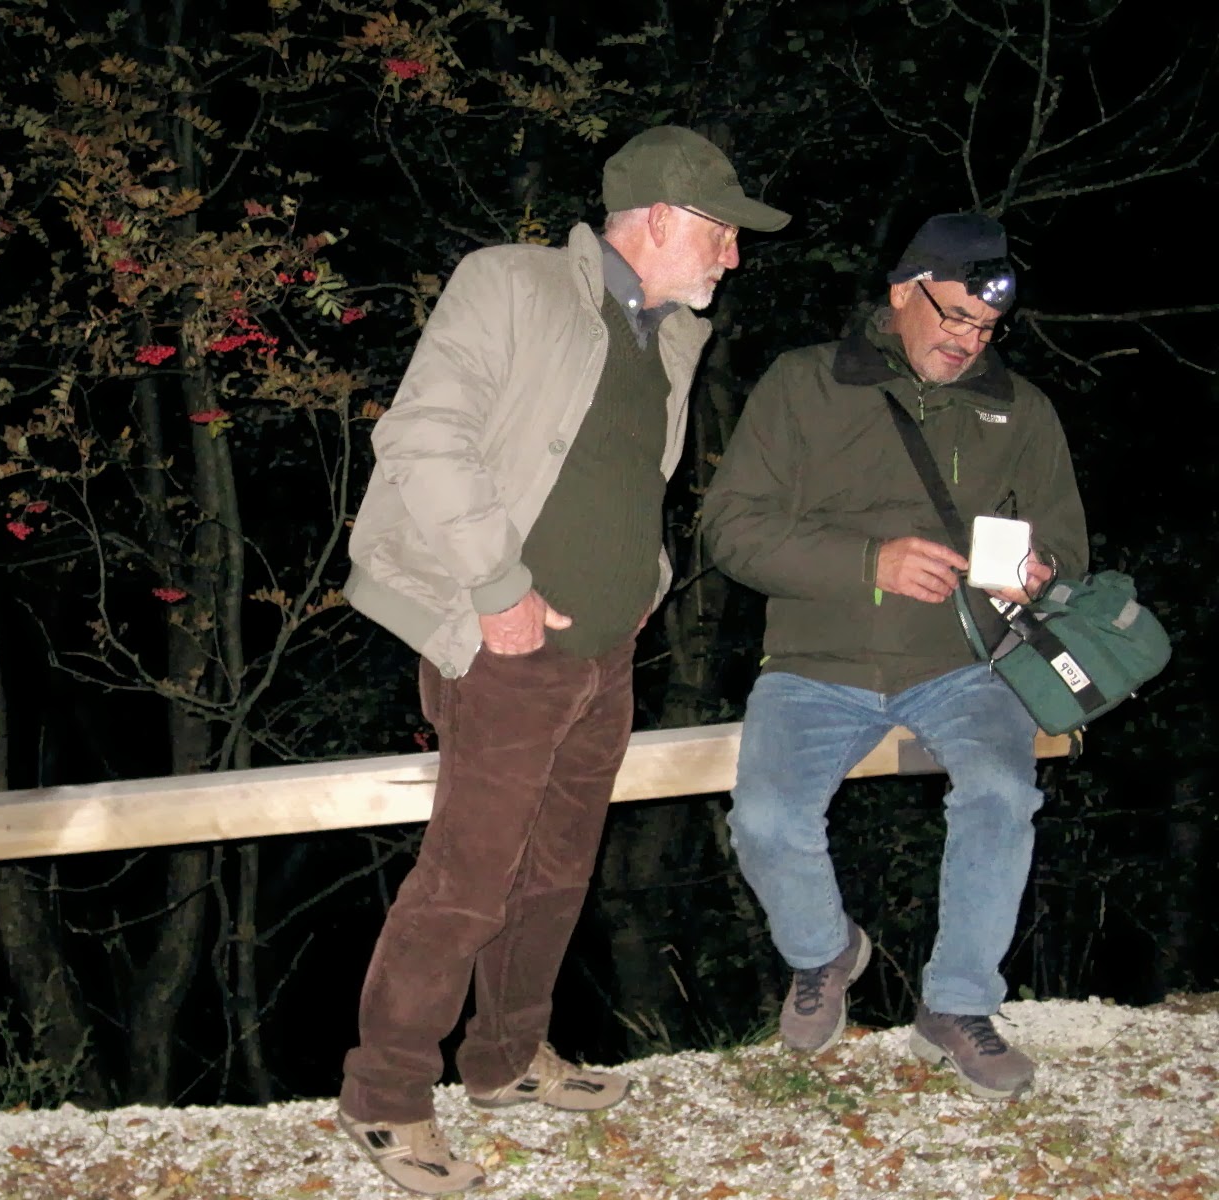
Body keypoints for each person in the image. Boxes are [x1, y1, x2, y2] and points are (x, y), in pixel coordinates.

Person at [340, 126, 789, 1194]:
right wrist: (499, 589)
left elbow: (633, 481)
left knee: (556, 874)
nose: (733, 256)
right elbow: (421, 435)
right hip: (507, 649)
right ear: (661, 219)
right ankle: (385, 1095)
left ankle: (504, 1059)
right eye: (721, 233)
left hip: (604, 651)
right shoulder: (513, 284)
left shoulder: (669, 339)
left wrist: (645, 587)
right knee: (468, 880)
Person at [701, 213, 1088, 1100]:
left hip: (965, 664)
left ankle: (956, 1006)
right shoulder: (806, 382)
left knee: (1001, 796)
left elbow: (1067, 539)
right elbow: (731, 529)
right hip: (815, 660)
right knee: (766, 821)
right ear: (903, 291)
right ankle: (824, 950)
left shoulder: (1020, 409)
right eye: (955, 316)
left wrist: (1042, 568)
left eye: (986, 327)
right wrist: (867, 563)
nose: (970, 341)